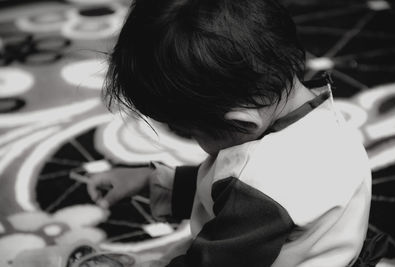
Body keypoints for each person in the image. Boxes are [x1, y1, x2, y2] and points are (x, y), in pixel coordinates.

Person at [88, 0, 373, 266]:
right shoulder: (324, 116)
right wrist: (154, 181)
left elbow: (217, 254)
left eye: (188, 132)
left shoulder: (263, 183)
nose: (195, 141)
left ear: (243, 122)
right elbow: (227, 191)